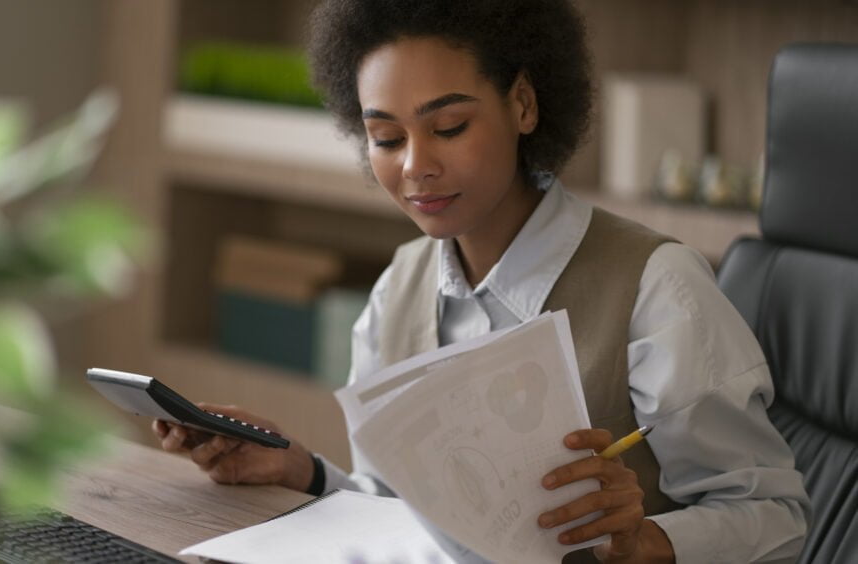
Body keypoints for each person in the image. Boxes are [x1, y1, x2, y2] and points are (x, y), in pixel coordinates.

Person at [153, 1, 810, 562]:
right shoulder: (398, 292)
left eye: (448, 127)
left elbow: (780, 521)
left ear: (522, 104)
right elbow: (404, 518)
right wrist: (302, 471)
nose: (416, 167)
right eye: (385, 137)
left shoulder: (656, 289)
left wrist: (652, 543)